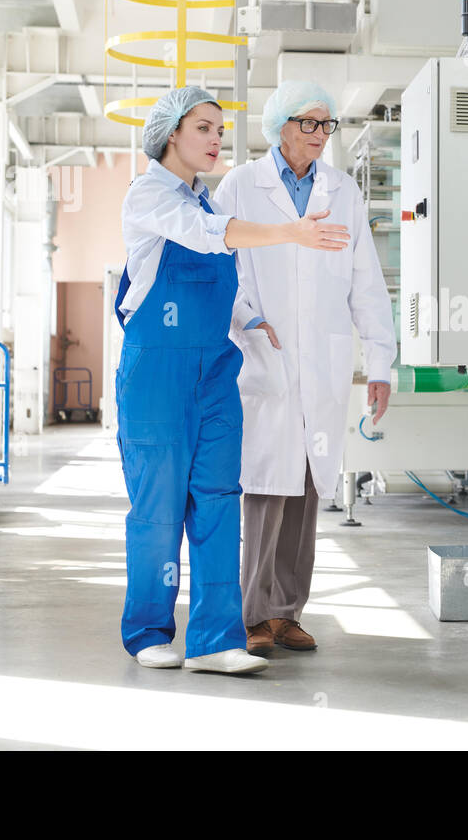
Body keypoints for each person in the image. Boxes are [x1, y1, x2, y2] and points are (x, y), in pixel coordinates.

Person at [115, 86, 350, 674]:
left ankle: (217, 640)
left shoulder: (207, 202)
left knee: (219, 500)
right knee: (158, 507)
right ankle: (148, 630)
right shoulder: (149, 195)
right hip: (157, 373)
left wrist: (251, 317)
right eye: (204, 129)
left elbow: (227, 275)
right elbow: (207, 239)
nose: (217, 139)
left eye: (220, 130)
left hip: (216, 373)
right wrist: (291, 232)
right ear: (172, 135)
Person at [212, 80, 396, 656]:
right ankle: (253, 615)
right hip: (263, 353)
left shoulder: (342, 191)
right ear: (280, 126)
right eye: (309, 124)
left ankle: (288, 613)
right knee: (266, 486)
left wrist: (381, 361)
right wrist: (243, 318)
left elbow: (366, 281)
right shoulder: (242, 184)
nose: (319, 136)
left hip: (322, 360)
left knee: (311, 485)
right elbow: (218, 262)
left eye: (327, 125)